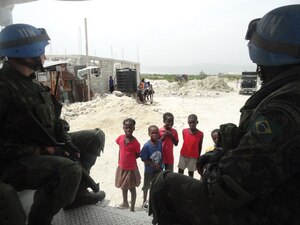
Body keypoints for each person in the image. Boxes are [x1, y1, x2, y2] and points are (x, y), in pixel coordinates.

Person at [149, 5, 300, 225]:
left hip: (274, 212)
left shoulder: (283, 109)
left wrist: (214, 162)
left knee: (164, 182)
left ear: (269, 62)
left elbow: (221, 188)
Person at [0, 23, 105, 225]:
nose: (44, 57)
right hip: (12, 162)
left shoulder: (32, 83)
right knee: (68, 169)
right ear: (27, 52)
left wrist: (65, 140)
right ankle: (40, 220)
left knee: (94, 137)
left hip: (44, 147)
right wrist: (38, 150)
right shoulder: (4, 88)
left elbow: (54, 121)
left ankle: (77, 195)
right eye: (41, 51)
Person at [115, 118, 141, 212]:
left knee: (132, 188)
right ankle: (125, 202)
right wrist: (120, 160)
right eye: (126, 127)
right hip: (122, 167)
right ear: (123, 128)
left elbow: (138, 155)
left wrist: (129, 160)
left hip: (131, 169)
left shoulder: (135, 143)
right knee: (123, 186)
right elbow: (120, 148)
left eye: (130, 127)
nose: (128, 129)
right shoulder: (120, 138)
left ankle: (132, 208)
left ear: (134, 128)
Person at [140, 125, 163, 210]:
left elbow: (161, 154)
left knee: (155, 185)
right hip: (149, 170)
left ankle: (152, 201)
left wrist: (160, 165)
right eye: (152, 133)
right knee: (146, 186)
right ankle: (144, 202)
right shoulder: (146, 146)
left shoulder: (160, 143)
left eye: (156, 133)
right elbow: (143, 158)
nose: (154, 134)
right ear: (149, 134)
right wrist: (153, 164)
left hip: (158, 169)